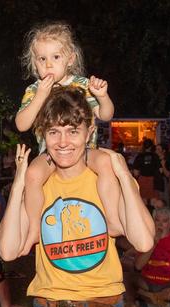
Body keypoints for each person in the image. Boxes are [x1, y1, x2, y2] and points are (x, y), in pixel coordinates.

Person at [0, 87, 154, 307]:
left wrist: (122, 172)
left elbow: (143, 243)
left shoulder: (106, 178)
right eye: (53, 132)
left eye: (72, 130)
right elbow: (9, 252)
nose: (62, 142)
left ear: (89, 131)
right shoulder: (39, 184)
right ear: (44, 135)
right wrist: (19, 183)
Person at [14, 21, 121, 249]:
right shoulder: (33, 90)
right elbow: (22, 124)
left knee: (106, 163)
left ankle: (112, 218)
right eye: (42, 59)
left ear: (70, 59)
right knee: (32, 175)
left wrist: (102, 96)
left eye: (55, 57)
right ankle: (34, 229)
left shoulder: (84, 86)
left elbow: (106, 114)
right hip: (51, 154)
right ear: (35, 63)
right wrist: (40, 97)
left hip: (85, 151)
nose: (48, 64)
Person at [127, 207, 170, 307]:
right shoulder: (147, 239)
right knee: (127, 277)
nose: (160, 224)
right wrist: (154, 242)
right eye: (157, 220)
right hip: (146, 282)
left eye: (164, 221)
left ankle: (146, 295)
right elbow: (138, 266)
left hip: (169, 285)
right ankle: (132, 302)